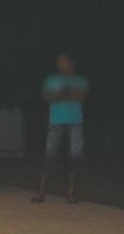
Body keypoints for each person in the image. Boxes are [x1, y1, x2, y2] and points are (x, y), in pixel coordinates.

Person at [34, 53, 88, 204]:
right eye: (59, 62)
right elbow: (46, 97)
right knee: (49, 157)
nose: (61, 64)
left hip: (75, 122)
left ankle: (70, 194)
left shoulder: (80, 80)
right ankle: (40, 193)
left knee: (74, 157)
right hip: (56, 122)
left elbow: (81, 98)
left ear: (72, 63)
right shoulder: (51, 79)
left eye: (64, 61)